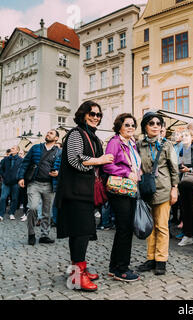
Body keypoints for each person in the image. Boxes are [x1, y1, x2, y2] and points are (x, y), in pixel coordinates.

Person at [55, 101, 114, 292]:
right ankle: (77, 276)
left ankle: (78, 269)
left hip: (85, 192)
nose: (96, 117)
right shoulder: (75, 133)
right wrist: (99, 160)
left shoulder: (92, 136)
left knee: (82, 232)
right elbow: (74, 160)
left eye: (98, 114)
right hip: (75, 192)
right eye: (92, 113)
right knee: (80, 233)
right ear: (83, 114)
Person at [137, 112, 179, 276]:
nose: (155, 126)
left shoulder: (167, 145)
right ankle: (151, 258)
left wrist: (175, 188)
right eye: (151, 123)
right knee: (150, 226)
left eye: (158, 123)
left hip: (163, 189)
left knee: (161, 226)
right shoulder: (139, 145)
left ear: (162, 127)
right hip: (146, 190)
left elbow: (174, 168)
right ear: (145, 127)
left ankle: (161, 260)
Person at [103, 113, 141, 282]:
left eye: (133, 125)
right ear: (119, 126)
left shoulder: (131, 143)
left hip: (129, 188)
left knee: (124, 228)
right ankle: (122, 269)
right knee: (125, 228)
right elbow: (107, 165)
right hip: (119, 189)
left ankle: (114, 267)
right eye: (127, 125)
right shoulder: (115, 142)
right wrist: (126, 172)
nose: (131, 127)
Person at [17, 131, 61, 245]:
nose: (48, 134)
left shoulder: (59, 152)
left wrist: (58, 173)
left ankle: (44, 235)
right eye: (48, 133)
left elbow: (63, 168)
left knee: (47, 213)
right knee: (32, 207)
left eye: (51, 133)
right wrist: (21, 177)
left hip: (50, 185)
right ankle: (31, 233)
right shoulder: (36, 147)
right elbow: (25, 163)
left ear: (56, 138)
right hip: (34, 183)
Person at [177, 128, 193, 248]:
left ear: (192, 137)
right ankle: (187, 235)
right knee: (184, 209)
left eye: (187, 135)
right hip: (182, 182)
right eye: (183, 135)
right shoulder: (181, 150)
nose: (184, 137)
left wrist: (189, 169)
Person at [0, 145, 23, 222]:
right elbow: (1, 168)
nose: (11, 149)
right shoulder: (5, 159)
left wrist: (19, 178)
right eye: (11, 148)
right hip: (6, 182)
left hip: (16, 183)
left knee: (14, 198)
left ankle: (11, 213)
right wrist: (4, 176)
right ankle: (1, 214)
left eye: (13, 148)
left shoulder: (21, 160)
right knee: (3, 198)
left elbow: (22, 170)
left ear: (17, 151)